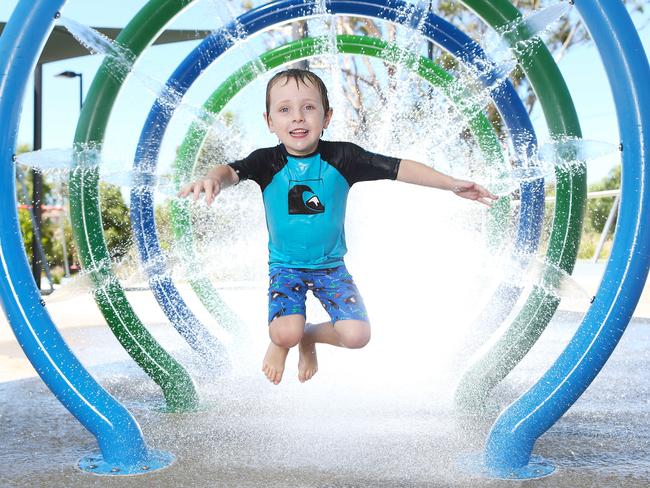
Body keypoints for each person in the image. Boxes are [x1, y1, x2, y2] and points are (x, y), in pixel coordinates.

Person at [179, 68, 497, 385]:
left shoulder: (344, 157)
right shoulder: (267, 162)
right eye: (285, 109)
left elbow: (398, 168)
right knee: (284, 333)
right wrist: (212, 179)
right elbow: (231, 171)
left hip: (331, 267)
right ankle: (285, 341)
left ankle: (310, 337)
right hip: (286, 267)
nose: (298, 118)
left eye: (309, 107)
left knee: (357, 335)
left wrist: (450, 183)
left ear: (326, 116)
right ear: (270, 122)